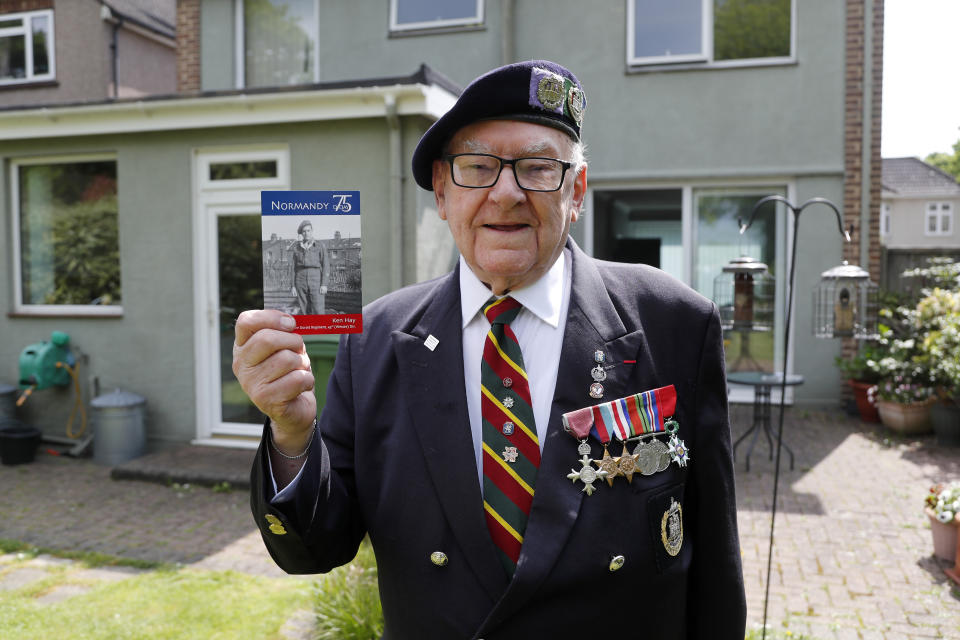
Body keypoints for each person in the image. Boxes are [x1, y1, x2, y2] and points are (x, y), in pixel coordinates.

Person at [234, 60, 746, 638]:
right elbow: (315, 548)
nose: (506, 194)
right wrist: (294, 436)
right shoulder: (373, 342)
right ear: (443, 194)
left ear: (575, 191)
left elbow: (716, 571)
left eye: (536, 168)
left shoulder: (673, 322)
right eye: (478, 168)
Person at [291, 220, 327, 314]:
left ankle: (320, 328)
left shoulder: (320, 246)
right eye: (304, 231)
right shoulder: (297, 247)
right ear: (301, 233)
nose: (306, 233)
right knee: (304, 310)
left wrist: (324, 284)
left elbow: (326, 265)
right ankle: (307, 328)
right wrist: (293, 286)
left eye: (308, 230)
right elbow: (293, 268)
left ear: (312, 231)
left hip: (316, 279)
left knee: (318, 309)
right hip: (300, 280)